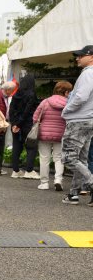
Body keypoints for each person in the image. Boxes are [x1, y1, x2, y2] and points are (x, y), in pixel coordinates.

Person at [60, 45, 93, 205]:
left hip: (78, 120)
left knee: (68, 157)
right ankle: (73, 193)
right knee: (82, 159)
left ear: (91, 57)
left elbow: (80, 97)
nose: (77, 58)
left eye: (81, 55)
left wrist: (66, 110)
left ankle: (89, 183)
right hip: (89, 120)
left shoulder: (88, 74)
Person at [32, 81, 71, 191]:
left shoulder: (45, 102)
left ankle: (44, 183)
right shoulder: (69, 103)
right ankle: (58, 180)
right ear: (67, 92)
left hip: (45, 134)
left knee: (44, 158)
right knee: (59, 158)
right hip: (61, 134)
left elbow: (35, 118)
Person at [8, 74, 39, 179]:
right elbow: (27, 111)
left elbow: (11, 110)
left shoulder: (16, 94)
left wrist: (14, 124)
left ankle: (15, 171)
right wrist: (19, 123)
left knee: (16, 146)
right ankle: (29, 170)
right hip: (27, 124)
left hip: (15, 125)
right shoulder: (32, 94)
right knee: (31, 147)